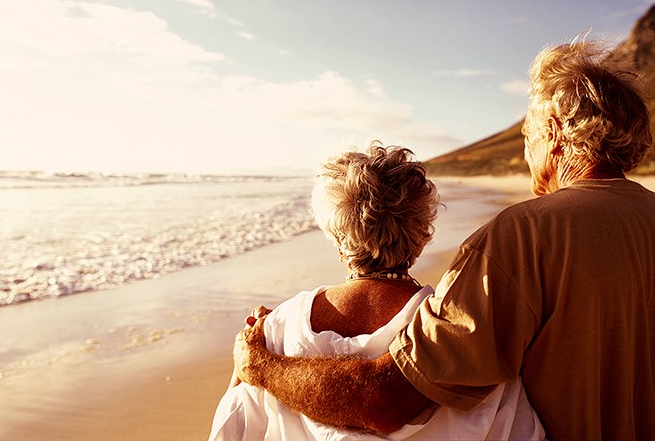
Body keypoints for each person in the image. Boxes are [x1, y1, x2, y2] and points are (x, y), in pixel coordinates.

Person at [233, 40, 655, 440]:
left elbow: (387, 401)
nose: (527, 152)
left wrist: (262, 367)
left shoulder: (523, 236)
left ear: (557, 131)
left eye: (528, 136)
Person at [210, 143, 544, 440]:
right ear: (421, 233)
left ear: (337, 237)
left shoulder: (272, 332)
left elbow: (232, 429)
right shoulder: (461, 336)